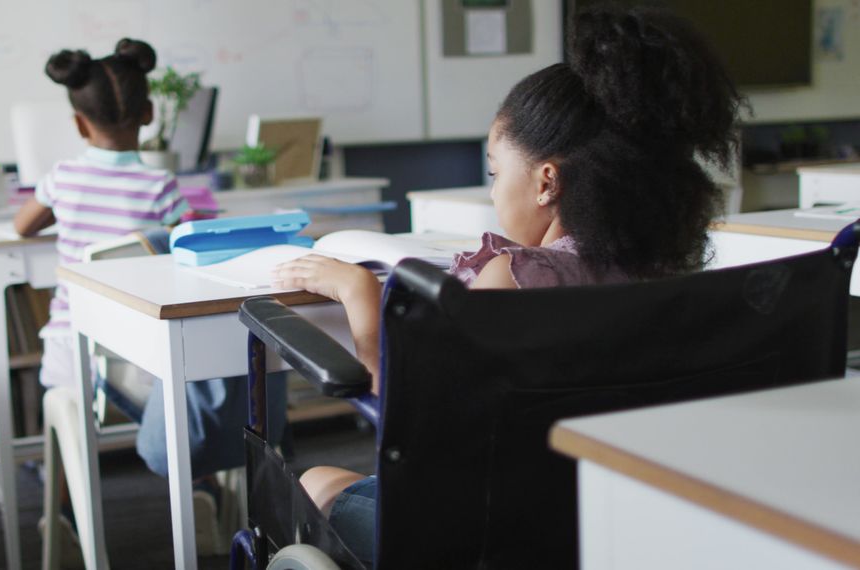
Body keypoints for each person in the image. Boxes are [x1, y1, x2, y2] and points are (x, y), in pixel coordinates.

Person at [271, 5, 745, 565]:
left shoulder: (515, 281)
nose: (493, 192)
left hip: (483, 537)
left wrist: (361, 297)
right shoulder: (663, 275)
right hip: (613, 530)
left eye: (496, 172)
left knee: (315, 482)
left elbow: (413, 427)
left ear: (547, 181)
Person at [14, 38, 286, 555]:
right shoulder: (160, 186)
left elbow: (22, 227)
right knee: (177, 392)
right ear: (147, 114)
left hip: (77, 348)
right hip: (142, 353)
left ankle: (68, 517)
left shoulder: (62, 179)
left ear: (77, 123)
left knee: (70, 412)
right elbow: (184, 249)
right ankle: (200, 487)